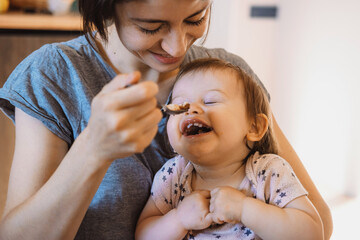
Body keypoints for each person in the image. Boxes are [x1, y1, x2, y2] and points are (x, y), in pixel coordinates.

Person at [0, 0, 331, 239]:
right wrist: (93, 150)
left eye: (195, 17)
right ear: (105, 8)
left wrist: (248, 212)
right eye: (150, 26)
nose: (177, 47)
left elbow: (318, 225)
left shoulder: (229, 75)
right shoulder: (54, 75)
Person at [135, 58, 324, 240]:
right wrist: (178, 219)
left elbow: (312, 233)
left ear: (254, 127)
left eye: (210, 101)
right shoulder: (173, 174)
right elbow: (142, 234)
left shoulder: (268, 172)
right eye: (180, 106)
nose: (191, 110)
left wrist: (244, 209)